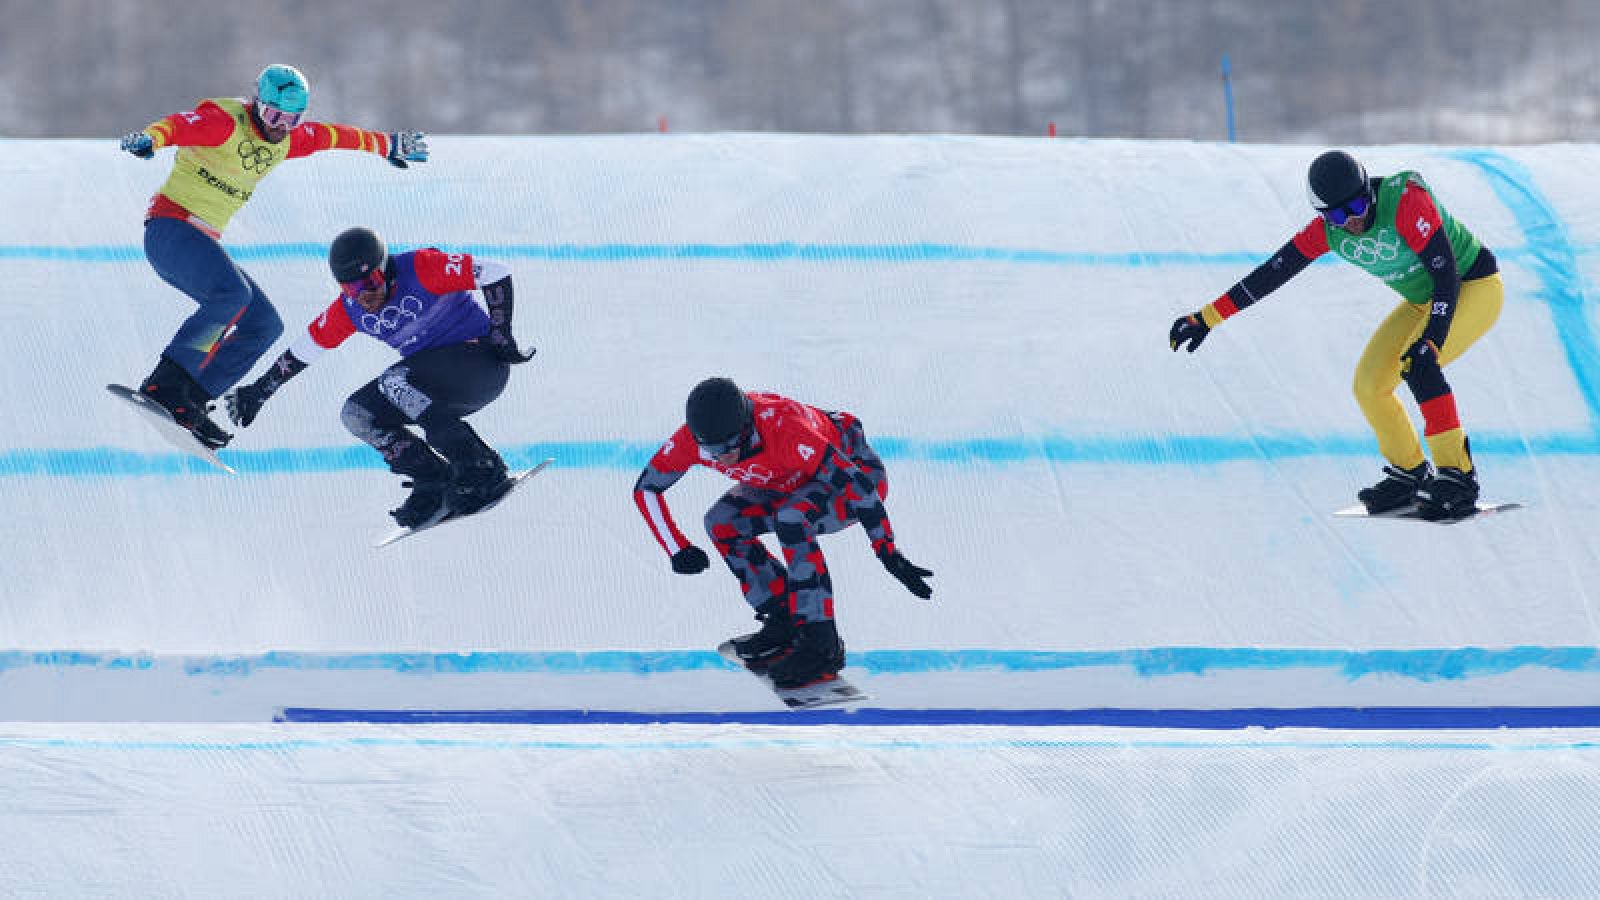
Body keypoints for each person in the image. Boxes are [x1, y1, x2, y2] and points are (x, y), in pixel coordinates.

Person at [1169, 150, 1504, 521]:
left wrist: (1432, 340)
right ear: (1323, 215)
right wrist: (1206, 318)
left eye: (1359, 205)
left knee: (1421, 364)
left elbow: (1446, 274)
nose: (1353, 221)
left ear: (1369, 191)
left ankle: (1458, 477)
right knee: (1369, 385)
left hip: (1473, 286)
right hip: (1424, 300)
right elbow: (1271, 274)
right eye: (1338, 215)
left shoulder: (1407, 202)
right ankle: (1410, 473)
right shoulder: (1327, 233)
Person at [118, 63, 430, 450]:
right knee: (232, 297)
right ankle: (164, 386)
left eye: (291, 119)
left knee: (264, 324)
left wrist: (387, 146)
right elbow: (178, 126)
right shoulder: (225, 122)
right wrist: (150, 140)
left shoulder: (287, 139)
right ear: (256, 102)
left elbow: (336, 136)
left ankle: (191, 402)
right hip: (170, 229)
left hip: (201, 240)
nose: (280, 125)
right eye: (273, 114)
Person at [223, 227, 536, 527]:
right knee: (356, 414)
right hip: (437, 389)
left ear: (385, 269)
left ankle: (479, 466)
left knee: (393, 382)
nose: (364, 295)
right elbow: (305, 349)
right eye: (351, 288)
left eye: (369, 282)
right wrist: (259, 392)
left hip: (480, 366)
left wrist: (501, 335)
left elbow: (495, 271)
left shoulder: (421, 266)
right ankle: (434, 480)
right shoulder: (350, 309)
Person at [633, 377, 933, 689]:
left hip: (853, 473)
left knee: (792, 519)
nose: (721, 457)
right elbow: (646, 489)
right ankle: (785, 616)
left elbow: (859, 488)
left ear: (747, 428)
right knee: (721, 522)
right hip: (785, 479)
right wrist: (677, 548)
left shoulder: (785, 430)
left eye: (728, 446)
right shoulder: (692, 441)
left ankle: (822, 644)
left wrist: (887, 551)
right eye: (711, 450)